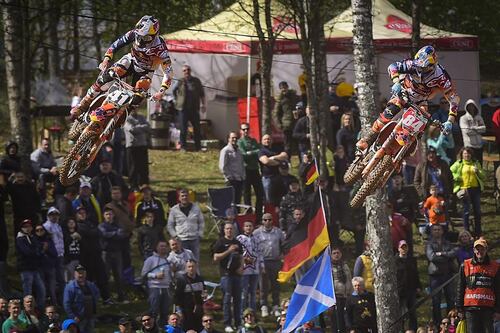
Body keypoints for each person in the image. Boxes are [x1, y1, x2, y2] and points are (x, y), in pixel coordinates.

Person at [356, 45, 459, 152]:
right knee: (389, 112)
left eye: (424, 67)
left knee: (420, 125)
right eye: (420, 66)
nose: (421, 69)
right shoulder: (412, 64)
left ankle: (403, 153)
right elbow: (393, 66)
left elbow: (453, 97)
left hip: (421, 102)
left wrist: (450, 120)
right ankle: (367, 139)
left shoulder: (442, 77)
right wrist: (396, 82)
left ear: (433, 65)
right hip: (403, 93)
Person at [70, 15, 172, 121]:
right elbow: (115, 45)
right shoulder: (133, 33)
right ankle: (82, 105)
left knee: (137, 97)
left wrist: (161, 91)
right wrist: (106, 60)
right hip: (130, 60)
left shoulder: (161, 50)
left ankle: (119, 119)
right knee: (107, 76)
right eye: (140, 35)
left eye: (146, 37)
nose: (141, 40)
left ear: (155, 35)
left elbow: (168, 72)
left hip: (146, 71)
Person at [456, 237, 499, 333]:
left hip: (488, 309)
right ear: (474, 250)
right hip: (470, 309)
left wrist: (497, 310)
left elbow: (498, 289)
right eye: (477, 249)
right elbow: (460, 288)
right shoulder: (465, 265)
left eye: (482, 249)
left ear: (486, 249)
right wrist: (459, 309)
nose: (480, 251)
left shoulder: (495, 266)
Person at [212, 222, 243, 332]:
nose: (229, 230)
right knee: (227, 299)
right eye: (227, 229)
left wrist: (241, 267)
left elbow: (241, 256)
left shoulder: (237, 242)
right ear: (224, 230)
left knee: (238, 300)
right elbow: (215, 258)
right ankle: (227, 323)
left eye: (231, 229)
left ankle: (238, 323)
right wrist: (228, 251)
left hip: (237, 275)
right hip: (226, 275)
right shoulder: (220, 242)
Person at [426, 224, 457, 327]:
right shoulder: (429, 244)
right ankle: (438, 323)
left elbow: (453, 253)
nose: (437, 231)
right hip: (435, 276)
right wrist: (446, 256)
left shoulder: (447, 243)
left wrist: (441, 254)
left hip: (448, 275)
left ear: (442, 231)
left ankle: (451, 322)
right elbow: (432, 257)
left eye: (439, 229)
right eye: (435, 230)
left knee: (450, 299)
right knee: (436, 301)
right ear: (432, 231)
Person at [253, 213, 284, 318]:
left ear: (272, 220)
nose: (267, 222)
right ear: (262, 221)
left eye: (269, 220)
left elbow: (284, 244)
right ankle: (264, 305)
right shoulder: (256, 233)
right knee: (263, 285)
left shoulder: (278, 232)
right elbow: (253, 247)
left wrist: (282, 255)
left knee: (276, 284)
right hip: (263, 261)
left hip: (275, 261)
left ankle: (275, 305)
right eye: (265, 220)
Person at [450, 147, 486, 236]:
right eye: (465, 153)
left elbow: (483, 176)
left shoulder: (476, 163)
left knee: (477, 211)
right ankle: (466, 231)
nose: (467, 155)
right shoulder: (458, 163)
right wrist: (458, 178)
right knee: (466, 211)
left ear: (471, 155)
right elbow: (450, 172)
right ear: (462, 155)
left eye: (468, 153)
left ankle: (478, 231)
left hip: (475, 189)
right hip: (464, 189)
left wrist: (477, 171)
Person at [172, 64, 206, 151]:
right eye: (184, 70)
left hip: (194, 109)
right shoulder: (180, 81)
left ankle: (198, 147)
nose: (186, 72)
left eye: (188, 70)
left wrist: (203, 104)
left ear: (190, 71)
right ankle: (183, 147)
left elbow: (202, 94)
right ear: (183, 72)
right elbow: (173, 91)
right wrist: (177, 100)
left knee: (197, 128)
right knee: (183, 129)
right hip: (183, 109)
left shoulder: (196, 81)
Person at [15, 219, 46, 311]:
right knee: (27, 291)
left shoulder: (32, 237)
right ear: (21, 228)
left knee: (41, 289)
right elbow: (27, 252)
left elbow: (38, 247)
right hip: (25, 269)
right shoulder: (20, 239)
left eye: (29, 226)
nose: (27, 228)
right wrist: (38, 252)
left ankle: (40, 309)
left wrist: (38, 250)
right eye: (25, 227)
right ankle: (27, 310)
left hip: (35, 268)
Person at [98, 207, 127, 302]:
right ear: (104, 216)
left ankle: (121, 297)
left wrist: (112, 234)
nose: (109, 216)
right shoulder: (101, 226)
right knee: (105, 275)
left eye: (110, 214)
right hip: (106, 253)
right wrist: (115, 233)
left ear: (113, 215)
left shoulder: (118, 225)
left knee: (119, 275)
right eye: (107, 214)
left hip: (117, 252)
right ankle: (106, 297)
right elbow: (104, 234)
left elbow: (122, 235)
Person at [167, 189, 205, 263]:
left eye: (186, 196)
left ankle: (196, 274)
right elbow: (170, 225)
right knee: (183, 261)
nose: (184, 197)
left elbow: (201, 222)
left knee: (195, 260)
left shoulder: (196, 208)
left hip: (194, 239)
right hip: (181, 240)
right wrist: (175, 236)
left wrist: (200, 234)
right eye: (182, 196)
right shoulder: (174, 210)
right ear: (179, 198)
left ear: (189, 197)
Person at [141, 240, 172, 328]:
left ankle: (162, 328)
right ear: (157, 248)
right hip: (154, 287)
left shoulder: (168, 259)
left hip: (166, 288)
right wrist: (155, 275)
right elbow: (144, 274)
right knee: (154, 310)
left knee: (165, 310)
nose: (163, 248)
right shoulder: (150, 259)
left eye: (165, 246)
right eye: (161, 246)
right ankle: (151, 328)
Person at [237, 122, 263, 222]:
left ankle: (259, 216)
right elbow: (244, 155)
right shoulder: (240, 142)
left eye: (247, 129)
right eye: (243, 129)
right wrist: (254, 152)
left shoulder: (253, 141)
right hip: (245, 170)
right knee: (247, 194)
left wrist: (251, 152)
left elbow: (259, 151)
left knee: (260, 193)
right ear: (241, 131)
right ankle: (249, 216)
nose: (246, 131)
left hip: (255, 169)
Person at [63, 265, 100, 333]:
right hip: (79, 318)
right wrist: (73, 316)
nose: (81, 275)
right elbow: (66, 304)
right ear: (74, 274)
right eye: (79, 273)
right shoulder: (70, 287)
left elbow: (97, 293)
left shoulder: (90, 285)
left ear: (85, 274)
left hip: (90, 316)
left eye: (82, 273)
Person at [236, 221, 262, 313]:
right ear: (243, 228)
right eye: (246, 226)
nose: (248, 228)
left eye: (250, 226)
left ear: (253, 228)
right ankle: (242, 311)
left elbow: (260, 252)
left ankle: (252, 312)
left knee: (253, 292)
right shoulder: (239, 239)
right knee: (244, 291)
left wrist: (262, 265)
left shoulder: (257, 239)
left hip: (255, 269)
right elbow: (237, 253)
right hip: (244, 269)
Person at [395, 240, 421, 332]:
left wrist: (418, 287)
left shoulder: (412, 260)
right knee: (401, 313)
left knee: (412, 312)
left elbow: (416, 274)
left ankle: (413, 329)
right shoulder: (394, 261)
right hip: (400, 291)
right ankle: (401, 330)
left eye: (405, 247)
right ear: (398, 249)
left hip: (411, 289)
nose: (404, 249)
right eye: (402, 247)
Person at [6, 171, 41, 236]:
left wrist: (38, 211)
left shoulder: (31, 186)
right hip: (19, 215)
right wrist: (10, 178)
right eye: (18, 177)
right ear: (15, 178)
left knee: (33, 234)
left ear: (25, 177)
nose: (20, 179)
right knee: (20, 234)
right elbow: (6, 188)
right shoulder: (13, 187)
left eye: (21, 177)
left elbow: (37, 198)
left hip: (31, 214)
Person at [123, 107, 151, 189]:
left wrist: (138, 127)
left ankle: (145, 184)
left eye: (135, 108)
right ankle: (133, 186)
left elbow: (148, 127)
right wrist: (142, 127)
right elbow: (131, 129)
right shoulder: (126, 119)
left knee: (144, 166)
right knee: (133, 167)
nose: (134, 110)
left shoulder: (141, 117)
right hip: (132, 146)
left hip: (142, 145)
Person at [174, 260, 204, 331]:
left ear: (196, 267)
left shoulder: (200, 279)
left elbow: (203, 291)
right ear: (186, 268)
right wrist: (179, 311)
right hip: (186, 310)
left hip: (198, 309)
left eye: (193, 266)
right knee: (187, 329)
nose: (191, 268)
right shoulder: (181, 280)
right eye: (189, 267)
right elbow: (176, 296)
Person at [43, 206, 66, 300]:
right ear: (48, 216)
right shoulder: (46, 226)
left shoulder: (58, 226)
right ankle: (53, 300)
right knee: (52, 279)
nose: (54, 216)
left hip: (60, 255)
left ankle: (63, 299)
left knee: (61, 279)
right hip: (51, 256)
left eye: (56, 214)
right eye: (52, 215)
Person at [258, 134, 288, 204]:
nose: (267, 141)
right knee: (269, 200)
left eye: (268, 139)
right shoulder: (261, 151)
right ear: (262, 141)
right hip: (268, 178)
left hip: (279, 176)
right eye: (265, 139)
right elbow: (266, 161)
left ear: (271, 140)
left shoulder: (277, 148)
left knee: (282, 198)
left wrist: (273, 158)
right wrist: (279, 162)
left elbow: (285, 156)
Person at [34, 225, 59, 306]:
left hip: (50, 267)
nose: (39, 232)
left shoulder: (49, 240)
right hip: (40, 268)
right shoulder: (34, 241)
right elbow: (35, 255)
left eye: (41, 230)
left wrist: (47, 249)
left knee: (52, 289)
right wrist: (43, 250)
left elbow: (55, 253)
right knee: (42, 289)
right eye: (37, 230)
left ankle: (55, 306)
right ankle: (42, 307)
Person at [330, 247, 353, 333]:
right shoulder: (329, 267)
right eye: (334, 253)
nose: (336, 255)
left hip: (346, 296)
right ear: (331, 255)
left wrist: (351, 293)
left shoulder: (345, 265)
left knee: (346, 319)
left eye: (338, 253)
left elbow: (349, 279)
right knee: (336, 321)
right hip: (336, 297)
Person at [272, 81, 299, 158]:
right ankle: (288, 160)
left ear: (287, 87)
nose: (284, 90)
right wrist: (279, 125)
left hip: (296, 122)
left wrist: (298, 111)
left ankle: (301, 160)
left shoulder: (293, 95)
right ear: (280, 89)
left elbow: (299, 104)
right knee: (288, 144)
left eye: (285, 87)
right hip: (286, 124)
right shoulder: (279, 99)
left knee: (297, 142)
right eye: (282, 89)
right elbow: (276, 113)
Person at [219, 131, 245, 205]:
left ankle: (238, 216)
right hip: (231, 180)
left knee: (238, 201)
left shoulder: (239, 151)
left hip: (240, 179)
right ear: (228, 139)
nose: (234, 139)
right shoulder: (225, 150)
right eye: (232, 138)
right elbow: (222, 166)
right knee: (231, 202)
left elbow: (241, 164)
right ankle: (231, 216)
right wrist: (229, 177)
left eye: (236, 138)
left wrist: (243, 176)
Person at [30, 138, 58, 204]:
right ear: (41, 145)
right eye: (45, 145)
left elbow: (53, 163)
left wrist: (54, 168)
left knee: (59, 176)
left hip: (49, 172)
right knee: (41, 177)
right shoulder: (36, 154)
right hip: (38, 174)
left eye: (48, 145)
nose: (47, 146)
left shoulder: (49, 153)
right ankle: (43, 199)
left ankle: (57, 196)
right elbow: (37, 169)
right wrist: (49, 170)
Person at [460, 99, 486, 164]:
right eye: (469, 106)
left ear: (475, 107)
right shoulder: (463, 118)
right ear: (466, 107)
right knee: (470, 165)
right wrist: (478, 130)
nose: (471, 108)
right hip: (469, 146)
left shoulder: (479, 117)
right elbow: (467, 131)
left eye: (472, 106)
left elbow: (484, 129)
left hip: (479, 146)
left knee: (479, 165)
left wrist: (474, 128)